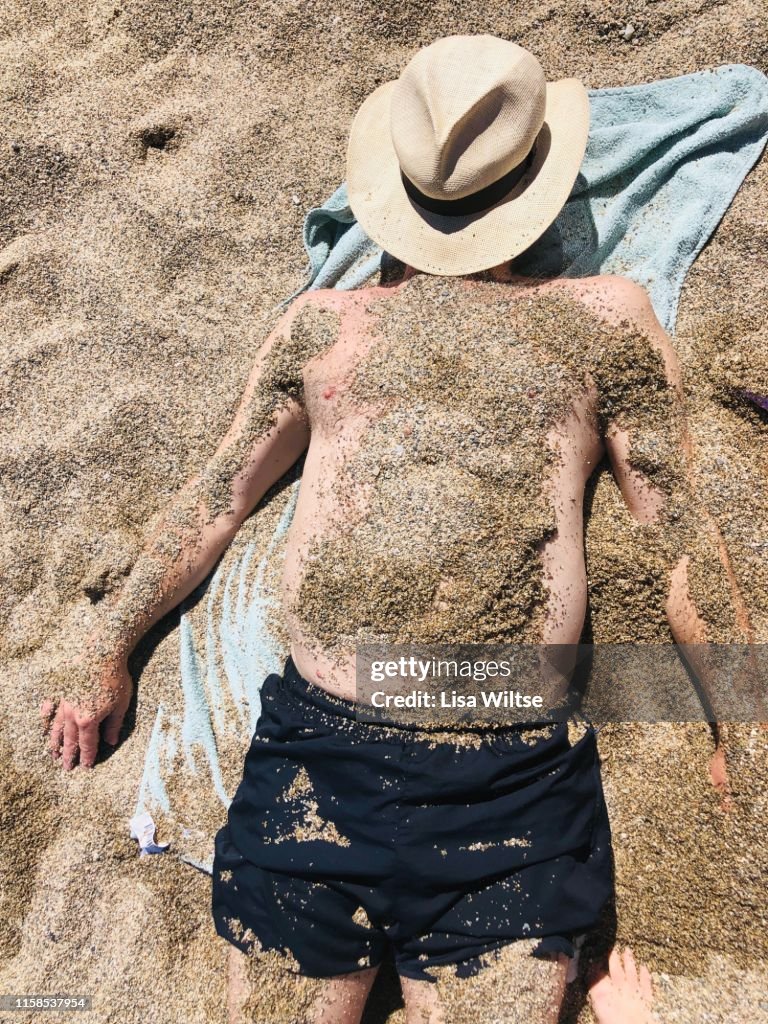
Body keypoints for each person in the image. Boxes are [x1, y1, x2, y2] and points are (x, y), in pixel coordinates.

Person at [41, 34, 749, 1024]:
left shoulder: (598, 322)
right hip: (320, 763)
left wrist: (742, 717)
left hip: (507, 771)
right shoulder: (325, 330)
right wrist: (106, 640)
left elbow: (674, 531)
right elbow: (220, 494)